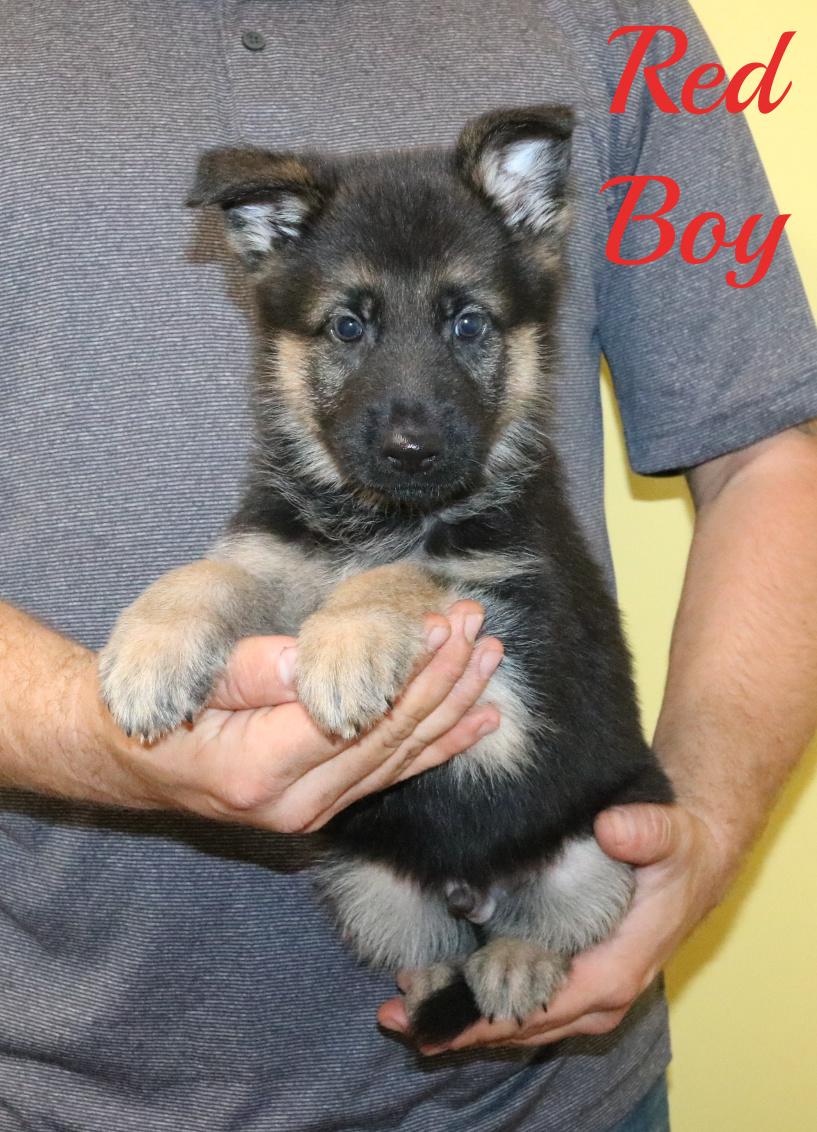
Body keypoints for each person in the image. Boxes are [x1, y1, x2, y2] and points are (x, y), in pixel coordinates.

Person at [1, 1, 816, 1129]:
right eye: (349, 330)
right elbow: (255, 565)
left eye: (467, 326)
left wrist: (705, 832)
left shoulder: (617, 20)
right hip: (55, 1082)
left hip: (554, 1096)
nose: (409, 406)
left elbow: (772, 460)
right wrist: (83, 726)